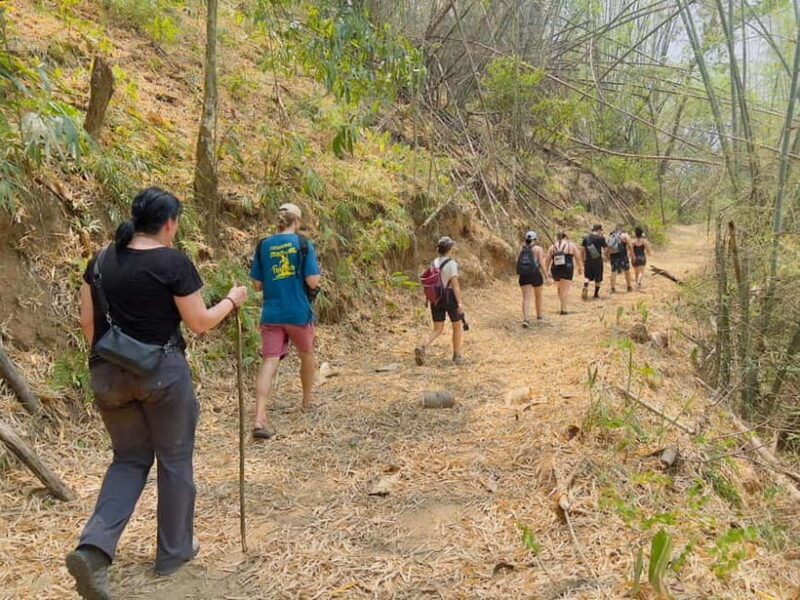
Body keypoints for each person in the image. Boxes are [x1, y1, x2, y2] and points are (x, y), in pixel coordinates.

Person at [67, 187, 248, 599]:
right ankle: (173, 552)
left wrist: (113, 364)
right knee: (174, 457)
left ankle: (93, 549)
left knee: (128, 459)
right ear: (169, 223)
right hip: (161, 376)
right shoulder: (172, 261)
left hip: (107, 375)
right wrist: (232, 301)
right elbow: (200, 322)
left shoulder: (100, 261)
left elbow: (87, 323)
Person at [250, 203, 321, 440]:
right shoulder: (303, 244)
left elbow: (257, 285)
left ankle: (259, 418)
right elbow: (313, 281)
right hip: (298, 312)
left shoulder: (263, 245)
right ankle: (307, 402)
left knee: (269, 362)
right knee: (306, 354)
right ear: (297, 221)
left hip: (272, 313)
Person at [415, 236, 466, 365]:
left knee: (437, 328)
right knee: (457, 325)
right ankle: (457, 355)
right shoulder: (452, 264)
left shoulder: (434, 262)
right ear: (449, 249)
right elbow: (455, 285)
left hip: (436, 297)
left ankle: (422, 346)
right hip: (449, 296)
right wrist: (459, 303)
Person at [516, 231, 549, 327]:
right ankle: (539, 316)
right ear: (535, 239)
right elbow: (541, 263)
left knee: (526, 297)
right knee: (538, 296)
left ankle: (526, 320)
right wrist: (546, 276)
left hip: (524, 274)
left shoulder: (521, 249)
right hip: (535, 273)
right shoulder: (538, 249)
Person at [545, 231, 582, 315]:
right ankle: (564, 309)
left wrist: (546, 272)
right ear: (565, 237)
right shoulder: (571, 245)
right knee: (565, 289)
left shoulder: (552, 246)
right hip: (567, 267)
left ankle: (562, 305)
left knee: (559, 287)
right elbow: (578, 257)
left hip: (555, 268)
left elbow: (547, 261)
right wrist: (580, 268)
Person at [581, 223, 607, 300]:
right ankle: (596, 294)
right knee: (598, 278)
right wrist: (605, 256)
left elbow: (582, 250)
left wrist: (583, 259)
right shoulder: (601, 238)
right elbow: (605, 249)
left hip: (588, 260)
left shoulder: (586, 238)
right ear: (599, 230)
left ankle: (585, 285)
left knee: (587, 276)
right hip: (598, 260)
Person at [607, 224, 633, 293]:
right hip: (623, 255)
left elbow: (608, 246)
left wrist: (607, 255)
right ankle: (629, 286)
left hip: (613, 256)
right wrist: (632, 254)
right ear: (622, 228)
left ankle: (612, 288)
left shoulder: (612, 235)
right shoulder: (625, 235)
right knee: (627, 271)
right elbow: (630, 245)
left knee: (613, 271)